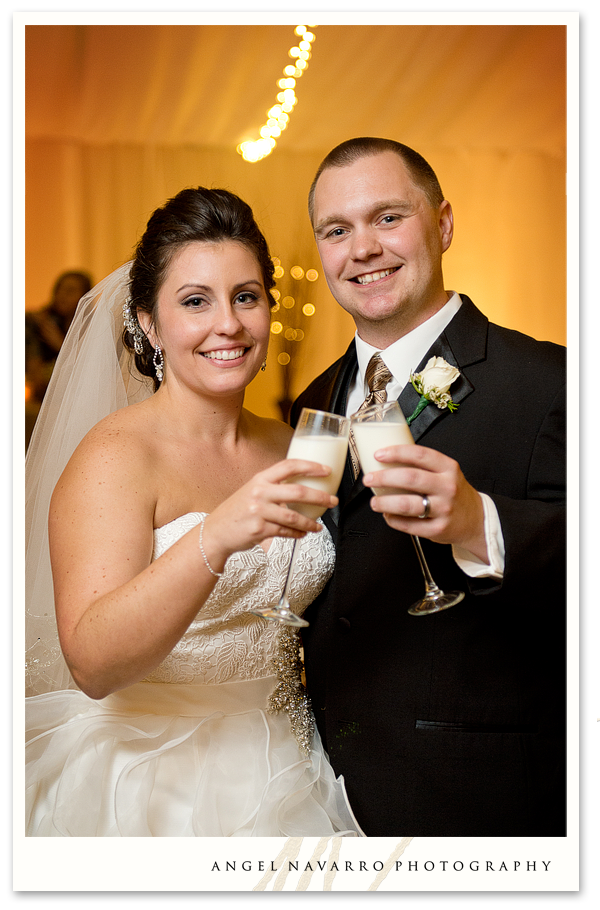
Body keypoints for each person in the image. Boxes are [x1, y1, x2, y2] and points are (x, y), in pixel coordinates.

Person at [25, 186, 364, 837]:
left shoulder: (295, 441)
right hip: (149, 783)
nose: (229, 324)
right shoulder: (116, 456)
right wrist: (216, 534)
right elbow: (92, 664)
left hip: (291, 765)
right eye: (194, 302)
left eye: (246, 296)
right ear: (150, 324)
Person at [293, 137, 566, 837]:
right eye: (337, 230)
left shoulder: (553, 383)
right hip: (313, 791)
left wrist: (482, 524)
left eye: (388, 218)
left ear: (441, 224)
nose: (363, 249)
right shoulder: (314, 400)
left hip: (474, 799)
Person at [25, 271, 93, 446]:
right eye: (59, 289)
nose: (62, 296)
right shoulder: (39, 322)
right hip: (42, 400)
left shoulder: (93, 325)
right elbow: (35, 377)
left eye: (70, 291)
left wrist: (60, 345)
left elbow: (91, 373)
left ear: (85, 295)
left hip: (79, 402)